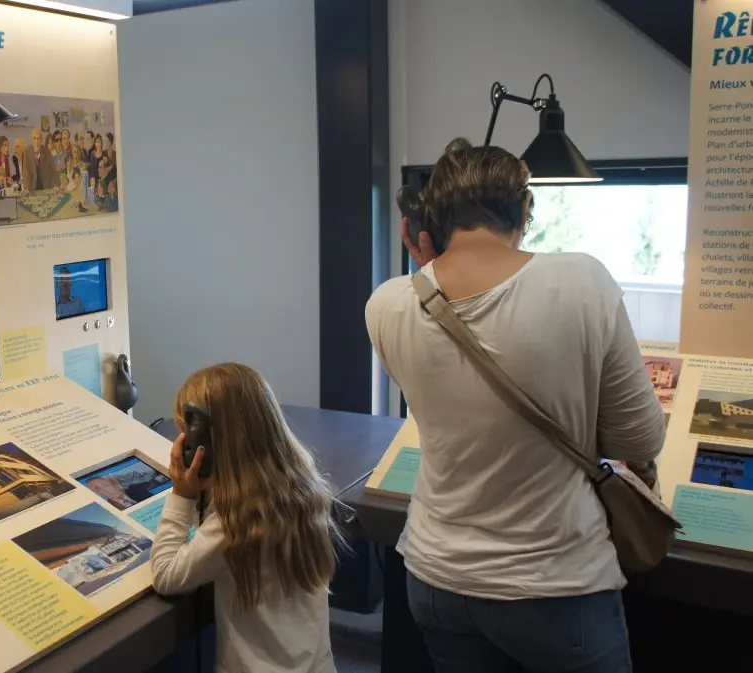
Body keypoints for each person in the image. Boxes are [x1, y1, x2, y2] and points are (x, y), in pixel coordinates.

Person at [364, 138, 664, 673]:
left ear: (429, 220)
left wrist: (432, 269)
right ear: (524, 209)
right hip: (556, 587)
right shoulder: (581, 280)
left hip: (436, 579)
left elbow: (444, 393)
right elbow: (639, 442)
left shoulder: (387, 304)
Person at [152, 363, 341, 673]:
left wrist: (182, 495)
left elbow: (166, 575)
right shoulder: (301, 483)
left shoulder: (233, 522)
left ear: (209, 446)